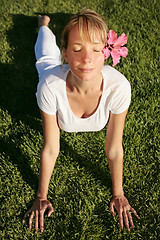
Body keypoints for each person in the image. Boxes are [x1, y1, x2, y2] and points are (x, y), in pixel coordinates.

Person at [23, 9, 139, 234]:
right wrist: (41, 196)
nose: (87, 58)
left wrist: (119, 194)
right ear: (65, 53)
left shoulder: (119, 88)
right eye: (77, 49)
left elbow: (114, 148)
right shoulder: (50, 86)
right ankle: (43, 24)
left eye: (95, 49)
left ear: (106, 52)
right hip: (54, 73)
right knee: (45, 59)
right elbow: (50, 148)